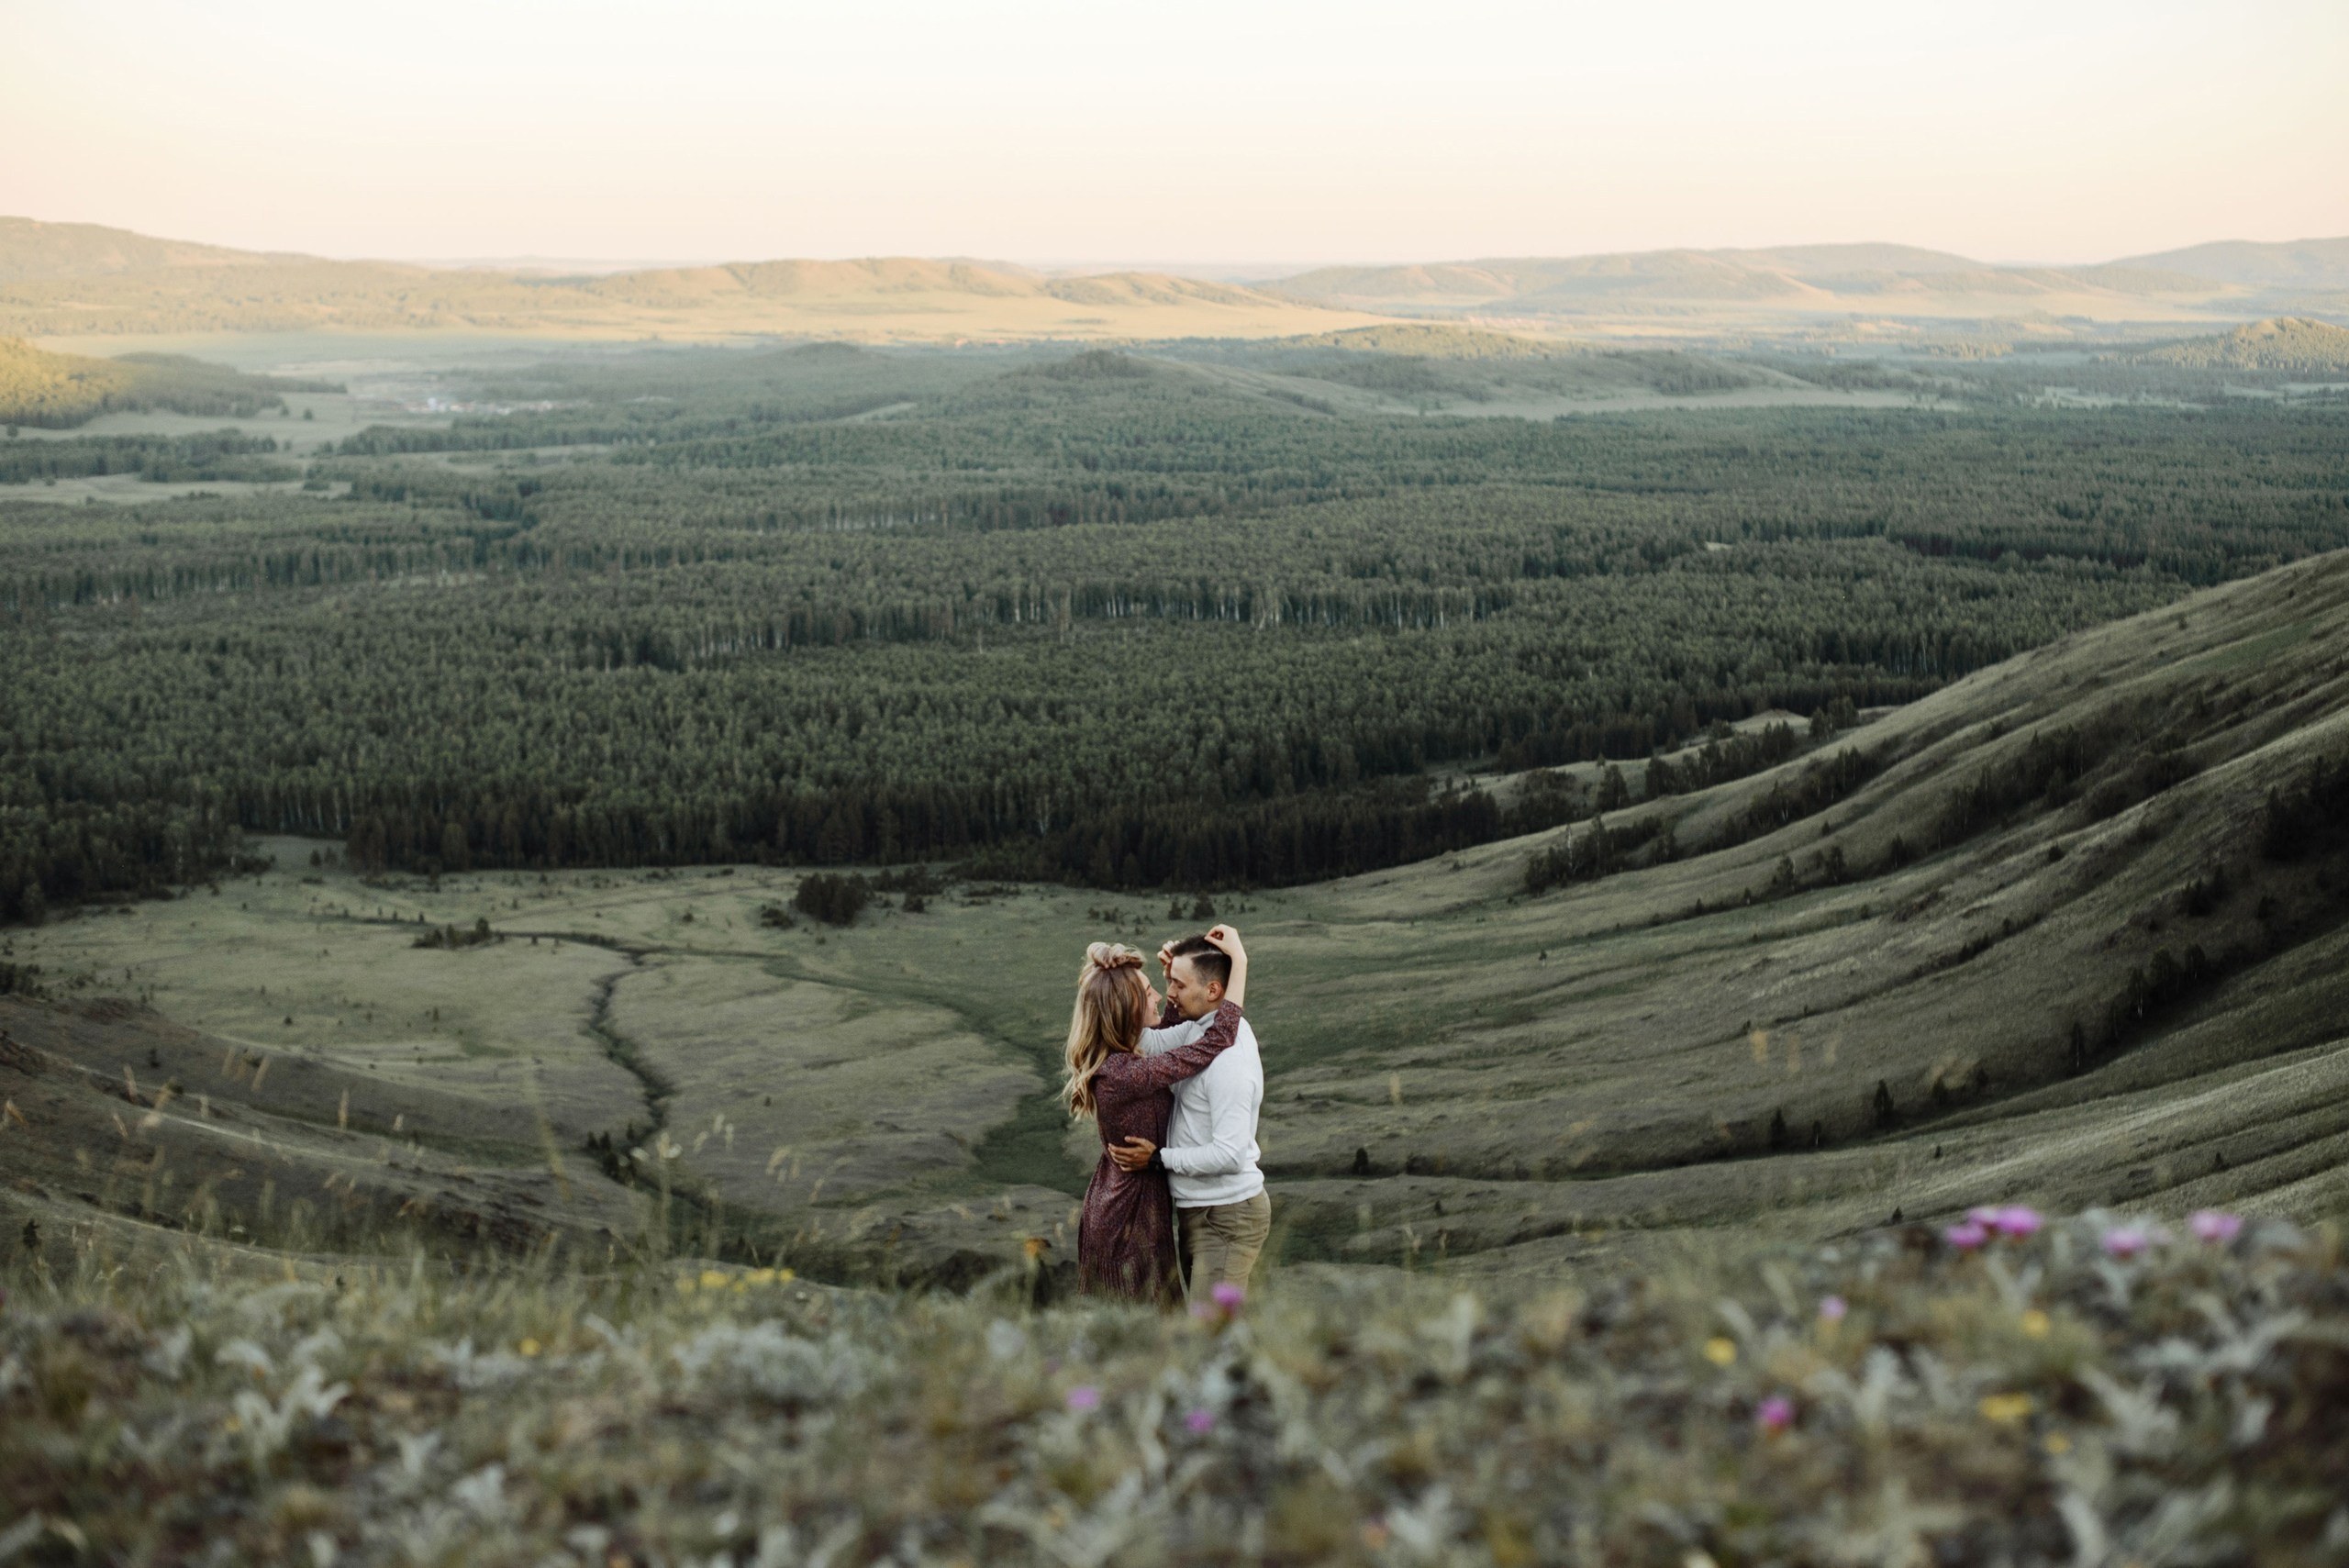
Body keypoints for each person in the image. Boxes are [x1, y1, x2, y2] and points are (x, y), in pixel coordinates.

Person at [1063, 928, 1249, 1305]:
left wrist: (1172, 981)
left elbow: (1167, 1030)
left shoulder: (1126, 1059)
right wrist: (1240, 965)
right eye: (1149, 992)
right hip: (1126, 1217)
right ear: (1128, 1009)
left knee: (1151, 1330)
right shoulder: (1124, 1073)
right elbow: (1216, 1039)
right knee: (1141, 1332)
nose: (1160, 996)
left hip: (1134, 1201)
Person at [1106, 931, 1268, 1301]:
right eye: (1167, 984)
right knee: (1211, 1332)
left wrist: (1158, 1159)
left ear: (1213, 991)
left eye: (1177, 984)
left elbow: (1229, 1154)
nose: (1170, 995)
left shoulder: (1229, 1060)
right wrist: (1135, 995)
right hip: (1201, 1211)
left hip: (1227, 1216)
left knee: (1208, 1332)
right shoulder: (1200, 1029)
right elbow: (1146, 1044)